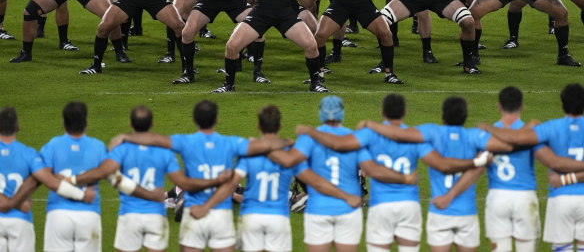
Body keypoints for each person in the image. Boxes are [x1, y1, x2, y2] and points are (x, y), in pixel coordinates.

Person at [295, 93, 491, 252]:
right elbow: (440, 163)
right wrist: (477, 161)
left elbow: (343, 148)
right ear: (405, 112)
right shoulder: (415, 137)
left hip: (379, 207)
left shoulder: (368, 135)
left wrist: (310, 132)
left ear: (382, 112)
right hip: (409, 205)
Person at [108, 100, 292, 252]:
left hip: (193, 211)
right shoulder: (231, 143)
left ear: (195, 120)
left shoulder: (185, 142)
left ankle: (174, 197)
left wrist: (126, 137)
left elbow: (156, 139)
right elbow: (265, 146)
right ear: (216, 120)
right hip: (221, 213)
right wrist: (288, 141)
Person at [189, 105, 362, 252]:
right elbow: (317, 182)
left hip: (251, 218)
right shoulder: (290, 158)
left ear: (258, 125)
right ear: (279, 126)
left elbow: (230, 185)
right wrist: (346, 196)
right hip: (278, 219)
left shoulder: (248, 156)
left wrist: (205, 207)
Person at [360, 96, 513, 252]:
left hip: (435, 212)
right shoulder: (474, 136)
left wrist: (369, 124)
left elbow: (399, 135)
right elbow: (507, 146)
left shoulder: (432, 132)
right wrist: (483, 145)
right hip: (464, 210)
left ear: (442, 114)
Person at [267, 95, 419, 252]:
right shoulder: (354, 138)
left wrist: (269, 146)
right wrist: (405, 178)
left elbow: (288, 161)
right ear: (342, 113)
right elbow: (371, 169)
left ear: (321, 113)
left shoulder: (308, 139)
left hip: (319, 208)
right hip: (348, 209)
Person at [71, 105, 231, 252]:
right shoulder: (164, 152)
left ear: (130, 124)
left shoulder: (121, 150)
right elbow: (184, 183)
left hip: (129, 216)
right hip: (156, 215)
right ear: (152, 124)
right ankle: (173, 199)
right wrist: (216, 181)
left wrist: (69, 181)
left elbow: (102, 172)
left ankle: (172, 199)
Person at [478, 83, 584, 251]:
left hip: (497, 198)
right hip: (525, 198)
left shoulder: (486, 135)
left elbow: (479, 162)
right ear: (521, 106)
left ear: (499, 106)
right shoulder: (532, 132)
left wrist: (486, 129)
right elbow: (551, 161)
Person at [0, 106, 95, 252]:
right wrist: (81, 195)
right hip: (20, 221)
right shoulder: (29, 154)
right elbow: (51, 183)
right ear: (17, 127)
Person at [39, 101, 108, 252]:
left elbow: (45, 177)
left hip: (58, 215)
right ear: (86, 122)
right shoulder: (98, 147)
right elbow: (110, 174)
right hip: (89, 214)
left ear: (64, 122)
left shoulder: (52, 145)